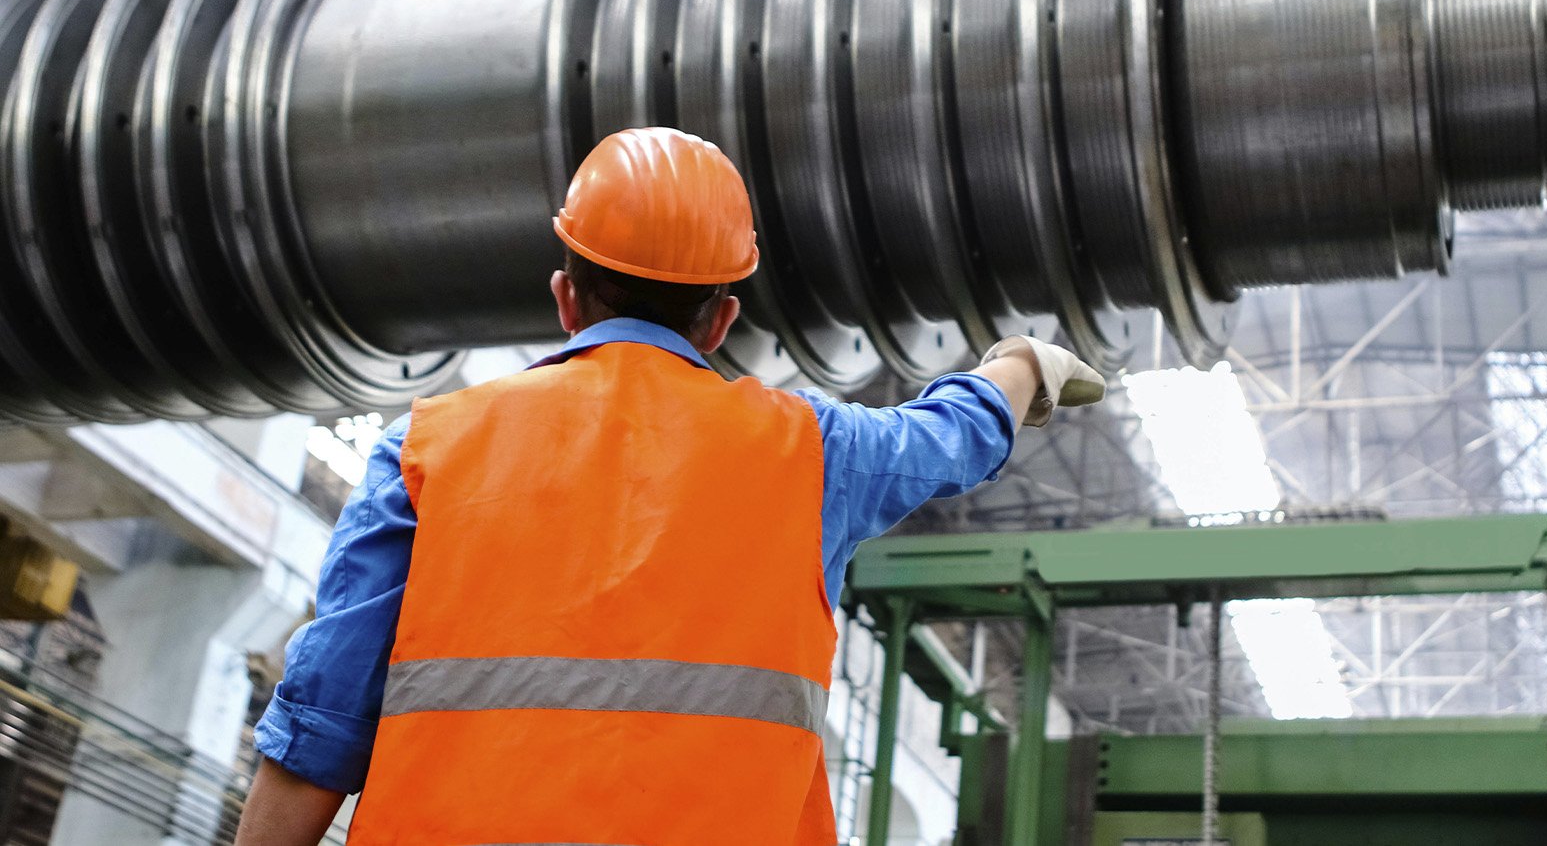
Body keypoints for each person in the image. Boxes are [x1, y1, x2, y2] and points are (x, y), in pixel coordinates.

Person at [233, 127, 1104, 845]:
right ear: (722, 317)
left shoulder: (426, 450)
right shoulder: (813, 451)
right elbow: (955, 436)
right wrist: (1021, 362)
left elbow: (319, 728)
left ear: (566, 297)